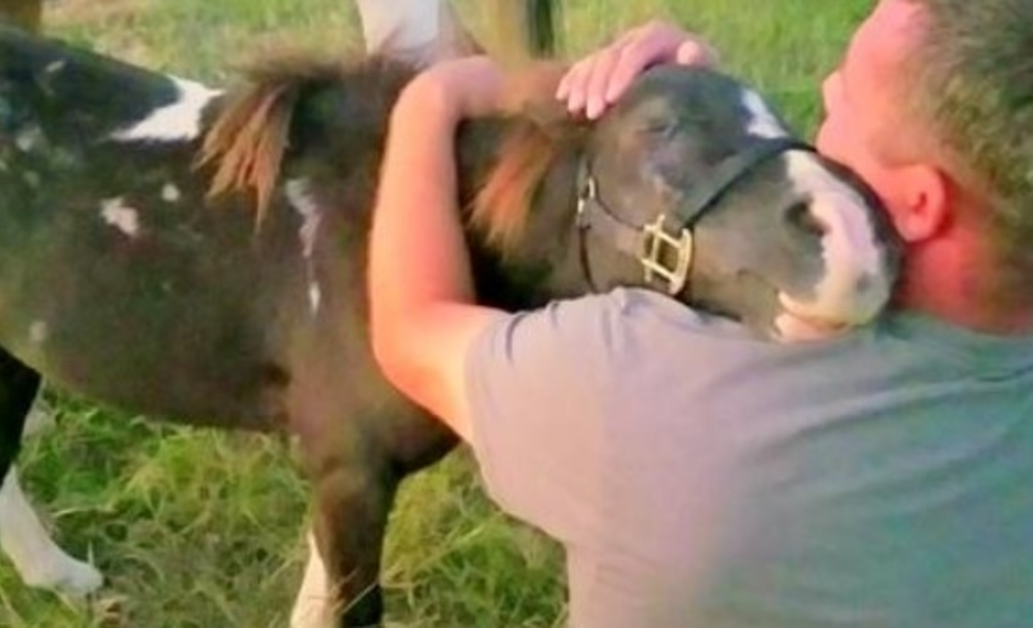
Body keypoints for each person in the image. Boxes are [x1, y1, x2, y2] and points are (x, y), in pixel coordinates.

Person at [367, 0, 1033, 626]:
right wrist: (708, 124)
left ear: (919, 204)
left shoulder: (654, 388)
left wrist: (433, 99)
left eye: (849, 99)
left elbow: (412, 332)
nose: (826, 91)